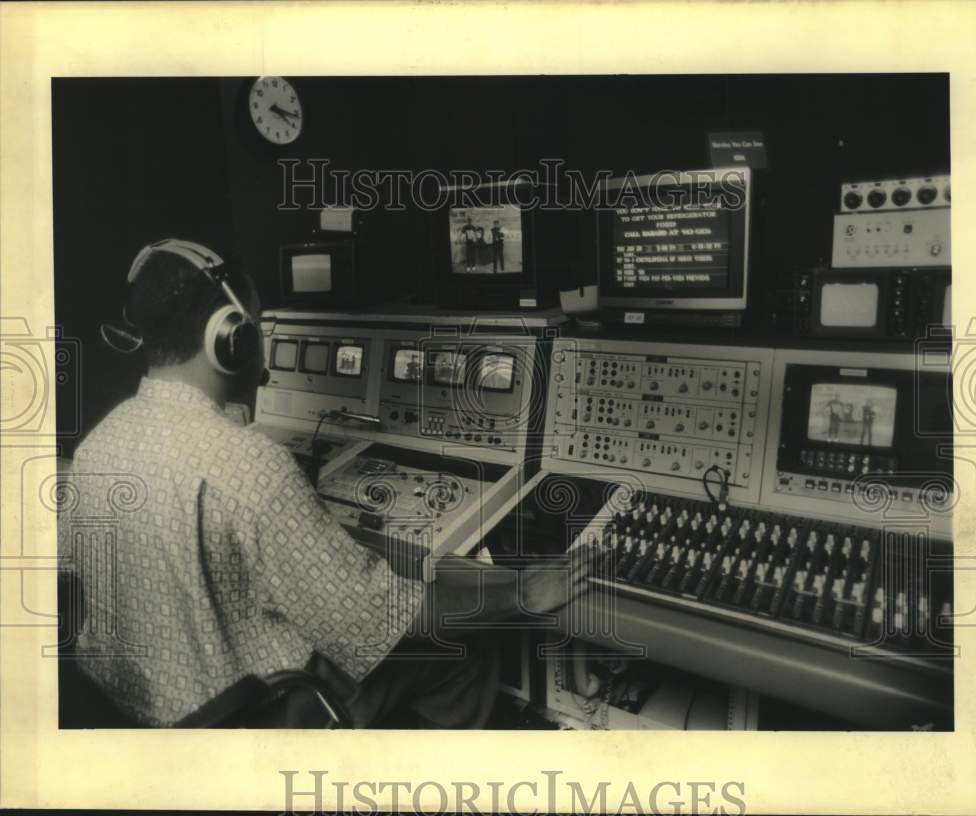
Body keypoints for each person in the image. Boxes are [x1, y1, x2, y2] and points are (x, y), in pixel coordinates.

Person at [61, 239, 597, 728]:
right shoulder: (247, 464)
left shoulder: (98, 445)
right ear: (231, 337)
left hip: (141, 723)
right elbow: (381, 618)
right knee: (463, 651)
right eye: (257, 326)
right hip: (255, 718)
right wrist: (521, 591)